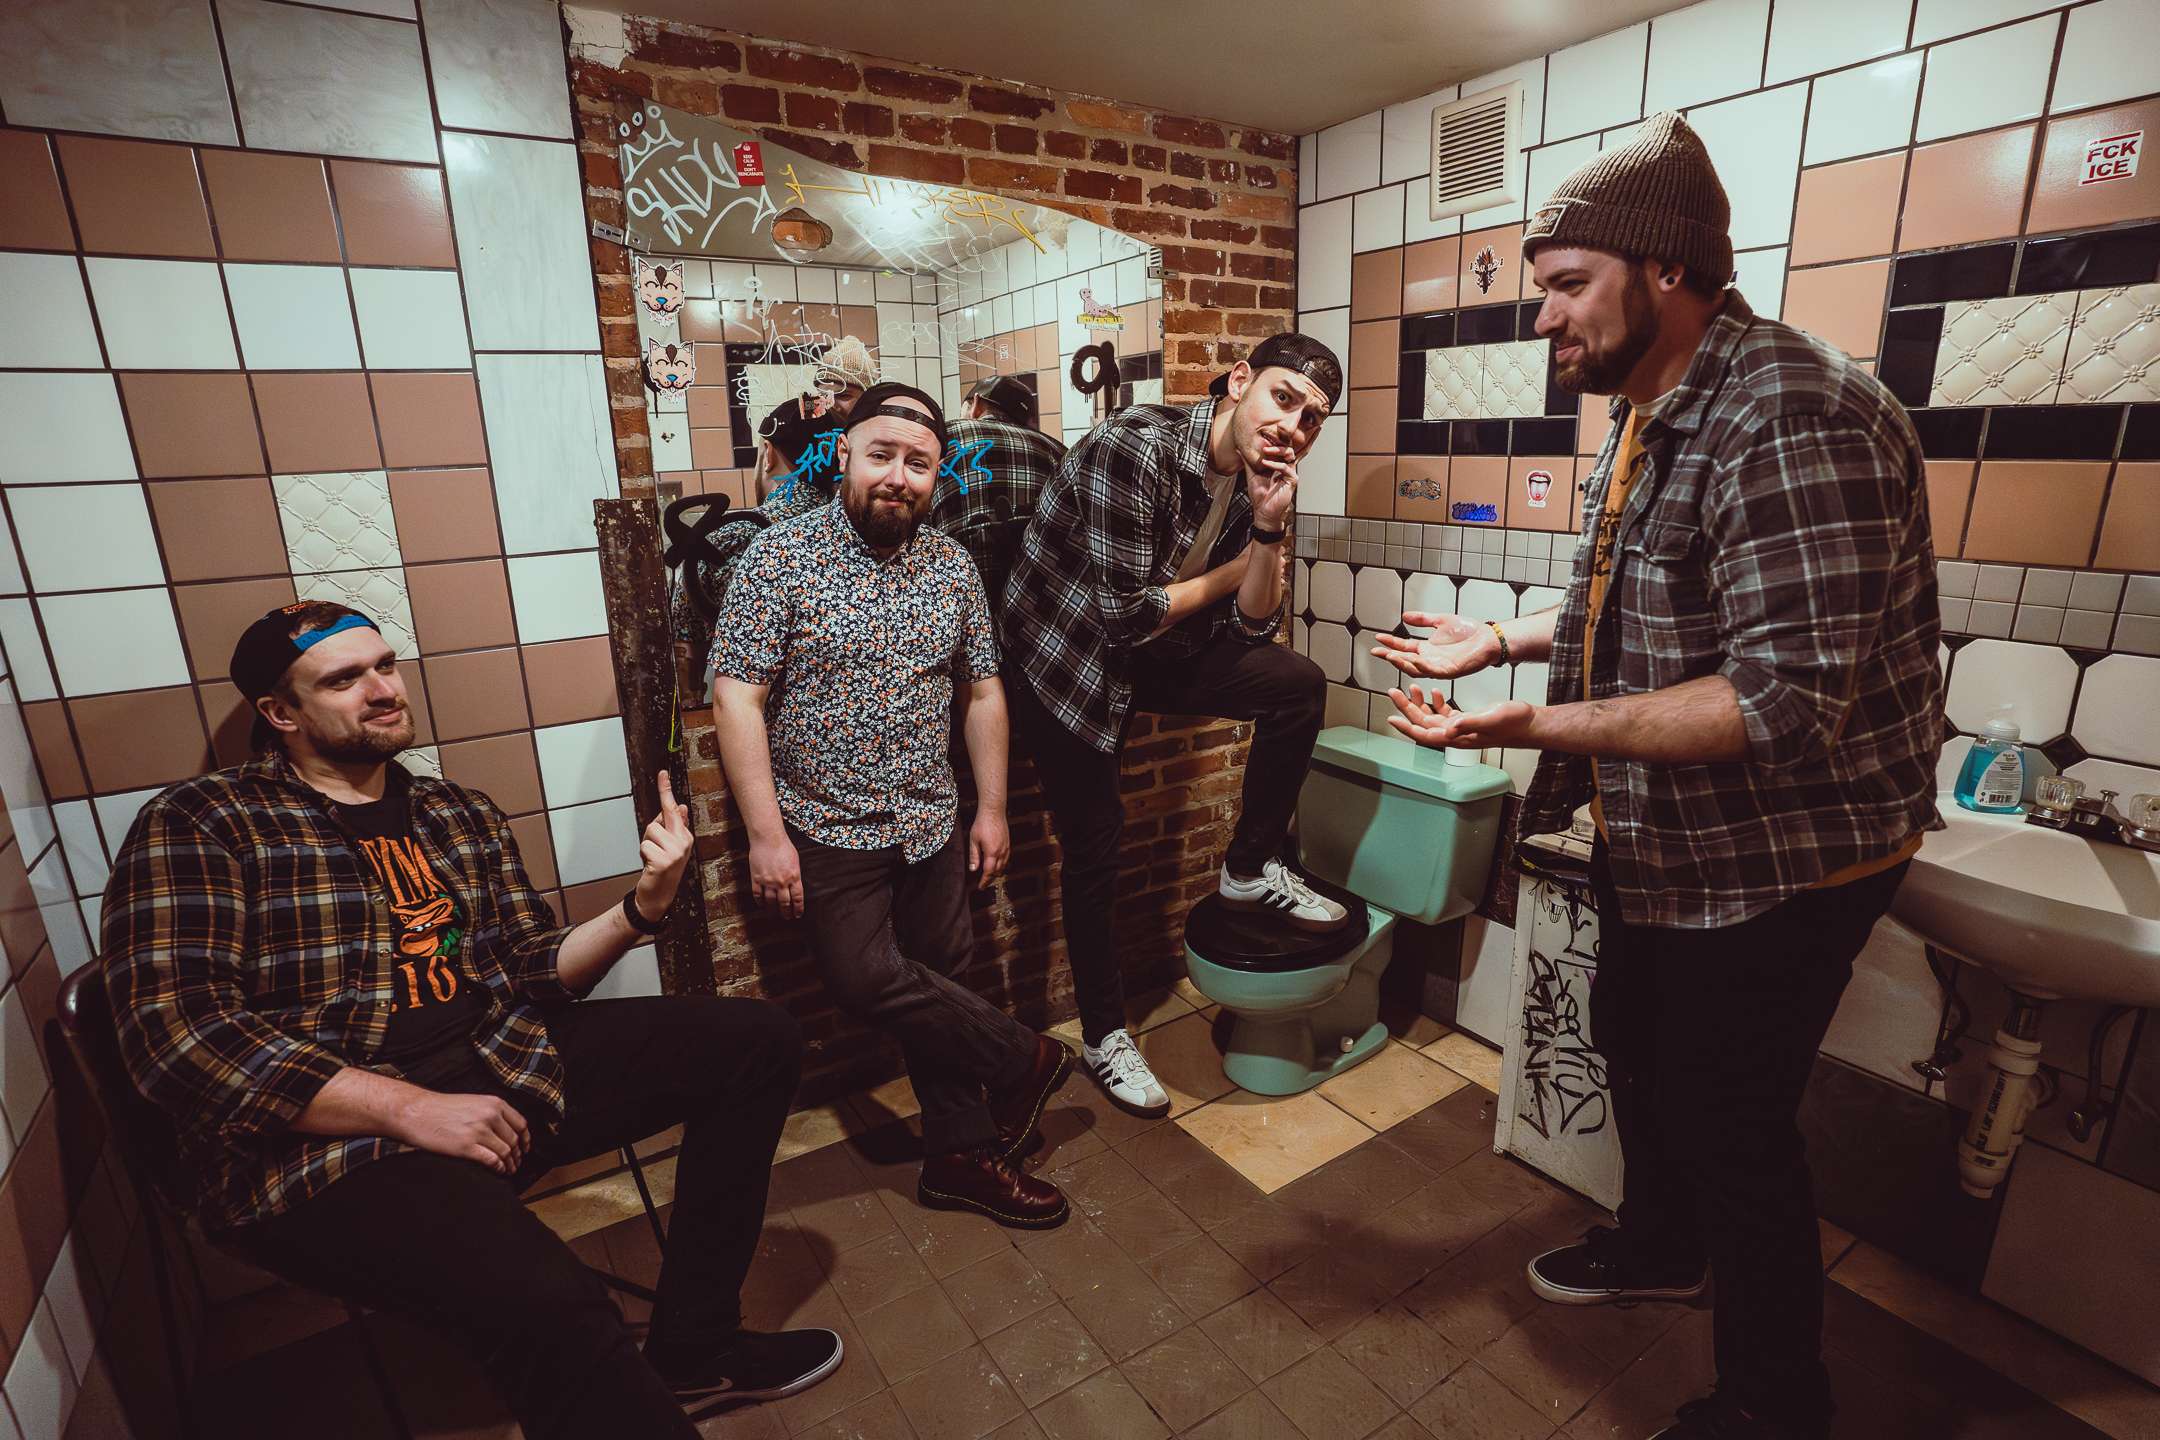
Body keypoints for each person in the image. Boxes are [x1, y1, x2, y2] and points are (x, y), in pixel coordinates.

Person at [1374, 112, 1942, 1440]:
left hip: (1792, 853)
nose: (1543, 319)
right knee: (1636, 1039)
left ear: (1671, 270)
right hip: (1674, 828)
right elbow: (1635, 597)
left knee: (1736, 1123)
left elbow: (1781, 698)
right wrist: (1505, 635)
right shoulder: (1658, 405)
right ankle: (1658, 1240)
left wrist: (1523, 728)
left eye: (1568, 284)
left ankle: (1774, 1402)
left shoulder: (1790, 409)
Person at [101, 602, 839, 1437]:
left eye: (384, 665)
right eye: (343, 679)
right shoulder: (203, 822)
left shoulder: (457, 812)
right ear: (280, 714)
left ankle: (695, 1348)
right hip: (325, 1143)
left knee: (755, 1042)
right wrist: (411, 1109)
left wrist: (642, 906)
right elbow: (174, 1038)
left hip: (498, 1061)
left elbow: (531, 972)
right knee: (551, 1298)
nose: (381, 690)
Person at [709, 382, 1073, 1229]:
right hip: (826, 824)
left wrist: (991, 810)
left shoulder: (950, 567)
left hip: (931, 818)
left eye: (918, 462)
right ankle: (1024, 1059)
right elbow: (736, 698)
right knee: (863, 976)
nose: (897, 477)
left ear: (937, 474)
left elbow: (982, 691)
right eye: (881, 455)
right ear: (843, 454)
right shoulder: (778, 558)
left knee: (941, 980)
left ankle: (960, 1156)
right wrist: (766, 834)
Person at [1001, 334, 1345, 1117]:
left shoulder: (1266, 480)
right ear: (1241, 380)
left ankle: (1250, 869)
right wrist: (1235, 571)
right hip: (1066, 659)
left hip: (1149, 643)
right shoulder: (1138, 447)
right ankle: (1102, 1035)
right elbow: (1122, 619)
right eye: (1284, 398)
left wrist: (1266, 528)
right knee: (1096, 845)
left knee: (1297, 685)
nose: (1294, 426)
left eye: (1313, 419)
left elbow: (1255, 631)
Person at [930, 374, 1067, 612]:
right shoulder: (1057, 451)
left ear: (976, 404)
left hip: (952, 599)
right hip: (1035, 607)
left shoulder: (943, 438)